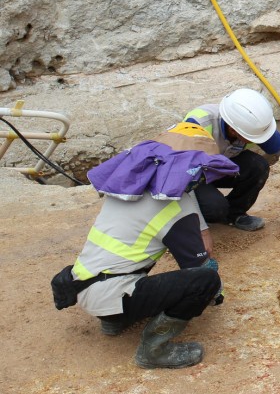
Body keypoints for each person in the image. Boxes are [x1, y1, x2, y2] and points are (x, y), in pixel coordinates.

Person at [50, 123, 234, 369]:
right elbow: (197, 266)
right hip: (110, 293)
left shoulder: (128, 189)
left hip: (83, 285)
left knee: (136, 256)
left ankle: (114, 320)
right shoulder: (176, 209)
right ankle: (154, 350)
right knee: (205, 282)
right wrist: (216, 293)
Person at [183, 88, 280, 231]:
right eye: (253, 137)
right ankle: (190, 219)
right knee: (215, 209)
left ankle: (234, 214)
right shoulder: (198, 125)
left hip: (217, 166)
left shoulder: (253, 125)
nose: (260, 140)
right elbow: (183, 174)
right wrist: (202, 230)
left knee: (258, 167)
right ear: (233, 130)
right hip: (191, 175)